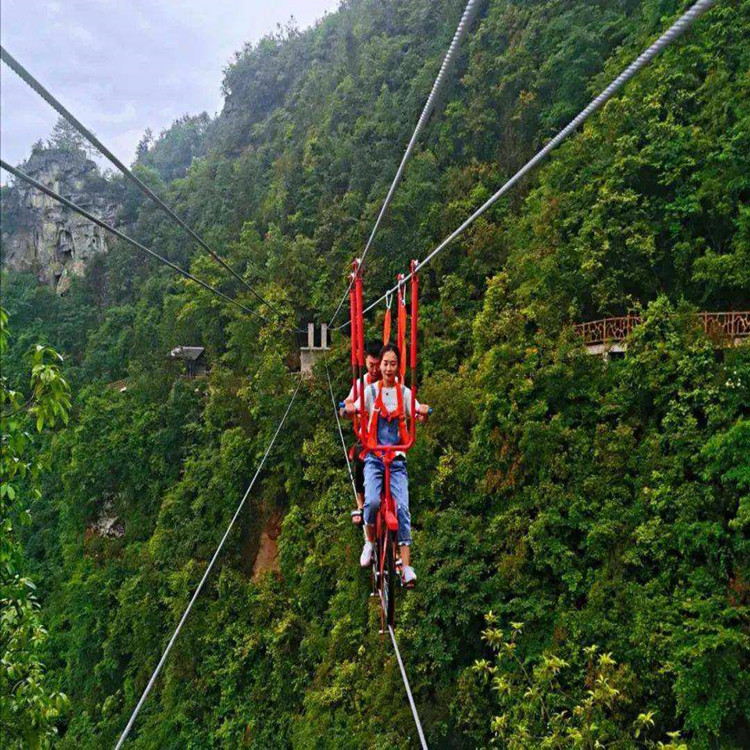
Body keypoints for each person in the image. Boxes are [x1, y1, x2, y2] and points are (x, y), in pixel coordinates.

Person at [352, 343, 430, 587]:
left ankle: (406, 566)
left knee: (404, 509)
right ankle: (370, 542)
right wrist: (348, 409)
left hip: (396, 458)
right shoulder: (371, 391)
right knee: (373, 501)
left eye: (392, 364)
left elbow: (416, 409)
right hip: (375, 457)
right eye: (385, 363)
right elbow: (356, 405)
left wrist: (422, 412)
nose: (387, 368)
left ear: (398, 367)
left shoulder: (403, 393)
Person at [340, 341, 382, 525]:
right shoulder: (361, 384)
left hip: (388, 439)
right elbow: (348, 403)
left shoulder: (390, 382)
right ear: (365, 362)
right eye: (370, 365)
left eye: (377, 365)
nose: (374, 370)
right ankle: (361, 502)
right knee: (358, 456)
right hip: (368, 438)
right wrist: (347, 409)